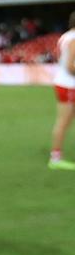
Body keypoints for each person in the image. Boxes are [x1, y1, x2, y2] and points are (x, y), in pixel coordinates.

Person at [49, 11, 75, 170]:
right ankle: (55, 158)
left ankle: (56, 156)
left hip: (64, 83)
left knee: (64, 121)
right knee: (63, 122)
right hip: (69, 85)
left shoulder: (65, 36)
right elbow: (70, 66)